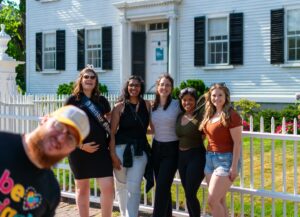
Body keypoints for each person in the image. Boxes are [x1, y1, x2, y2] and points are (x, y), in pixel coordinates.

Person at [0, 105, 90, 217]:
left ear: (71, 150)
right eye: (59, 126)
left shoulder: (51, 191)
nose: (61, 138)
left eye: (70, 139)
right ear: (45, 120)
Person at [64, 66, 114, 217]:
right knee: (82, 189)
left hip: (100, 151)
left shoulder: (102, 101)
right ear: (81, 79)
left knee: (108, 187)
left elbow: (110, 121)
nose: (89, 79)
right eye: (86, 77)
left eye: (92, 77)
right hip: (79, 151)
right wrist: (81, 146)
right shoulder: (72, 100)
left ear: (96, 81)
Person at [109, 75, 151, 217]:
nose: (134, 88)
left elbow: (150, 128)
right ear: (127, 87)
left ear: (141, 88)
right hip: (121, 150)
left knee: (134, 186)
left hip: (140, 151)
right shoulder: (119, 107)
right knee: (121, 187)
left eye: (137, 85)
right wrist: (113, 154)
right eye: (131, 85)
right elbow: (112, 132)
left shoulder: (147, 105)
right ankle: (124, 214)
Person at [199, 83, 242, 217]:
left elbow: (238, 142)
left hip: (226, 160)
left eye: (220, 95)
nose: (216, 98)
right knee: (220, 200)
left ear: (226, 97)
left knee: (212, 200)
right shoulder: (210, 114)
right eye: (213, 95)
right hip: (210, 159)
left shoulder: (231, 115)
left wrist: (234, 167)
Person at [150, 74, 181, 217]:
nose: (164, 87)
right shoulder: (151, 106)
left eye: (168, 85)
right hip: (156, 148)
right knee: (163, 187)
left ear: (172, 88)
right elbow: (151, 127)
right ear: (157, 87)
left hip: (172, 149)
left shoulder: (177, 105)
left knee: (162, 187)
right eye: (162, 84)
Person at [175, 87, 206, 217]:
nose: (187, 102)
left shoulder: (200, 116)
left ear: (195, 101)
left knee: (190, 193)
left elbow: (207, 99)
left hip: (196, 156)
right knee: (187, 192)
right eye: (184, 100)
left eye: (191, 100)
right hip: (181, 158)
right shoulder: (179, 116)